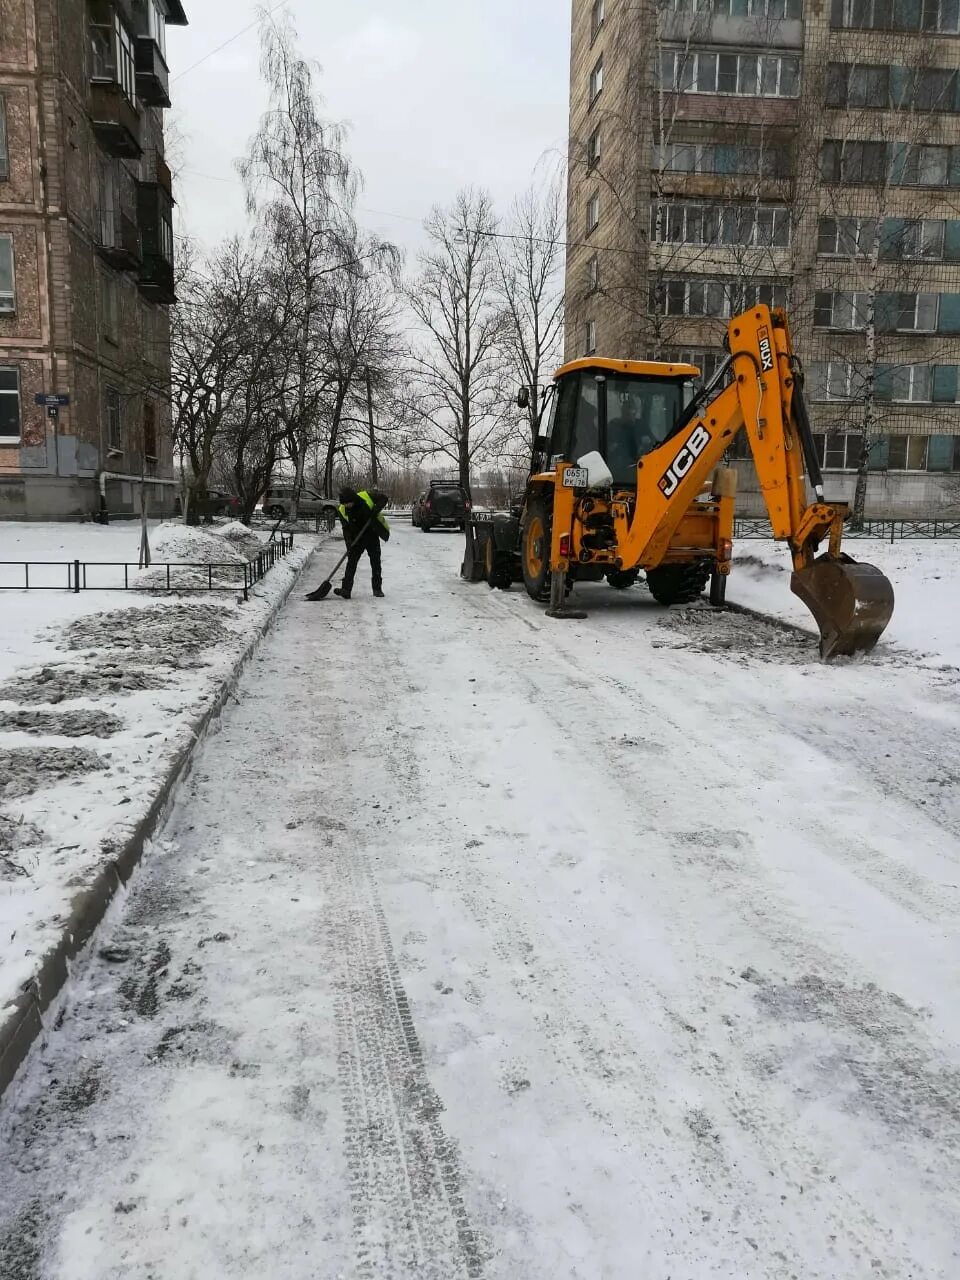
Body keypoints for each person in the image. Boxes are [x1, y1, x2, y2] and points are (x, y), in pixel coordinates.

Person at [307, 486, 390, 600]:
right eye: (344, 504)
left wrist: (376, 509)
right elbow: (345, 528)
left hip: (371, 534)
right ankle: (346, 590)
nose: (346, 506)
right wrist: (349, 543)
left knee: (375, 562)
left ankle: (377, 589)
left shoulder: (366, 496)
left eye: (348, 503)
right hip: (357, 538)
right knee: (351, 562)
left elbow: (384, 498)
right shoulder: (342, 509)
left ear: (353, 499)